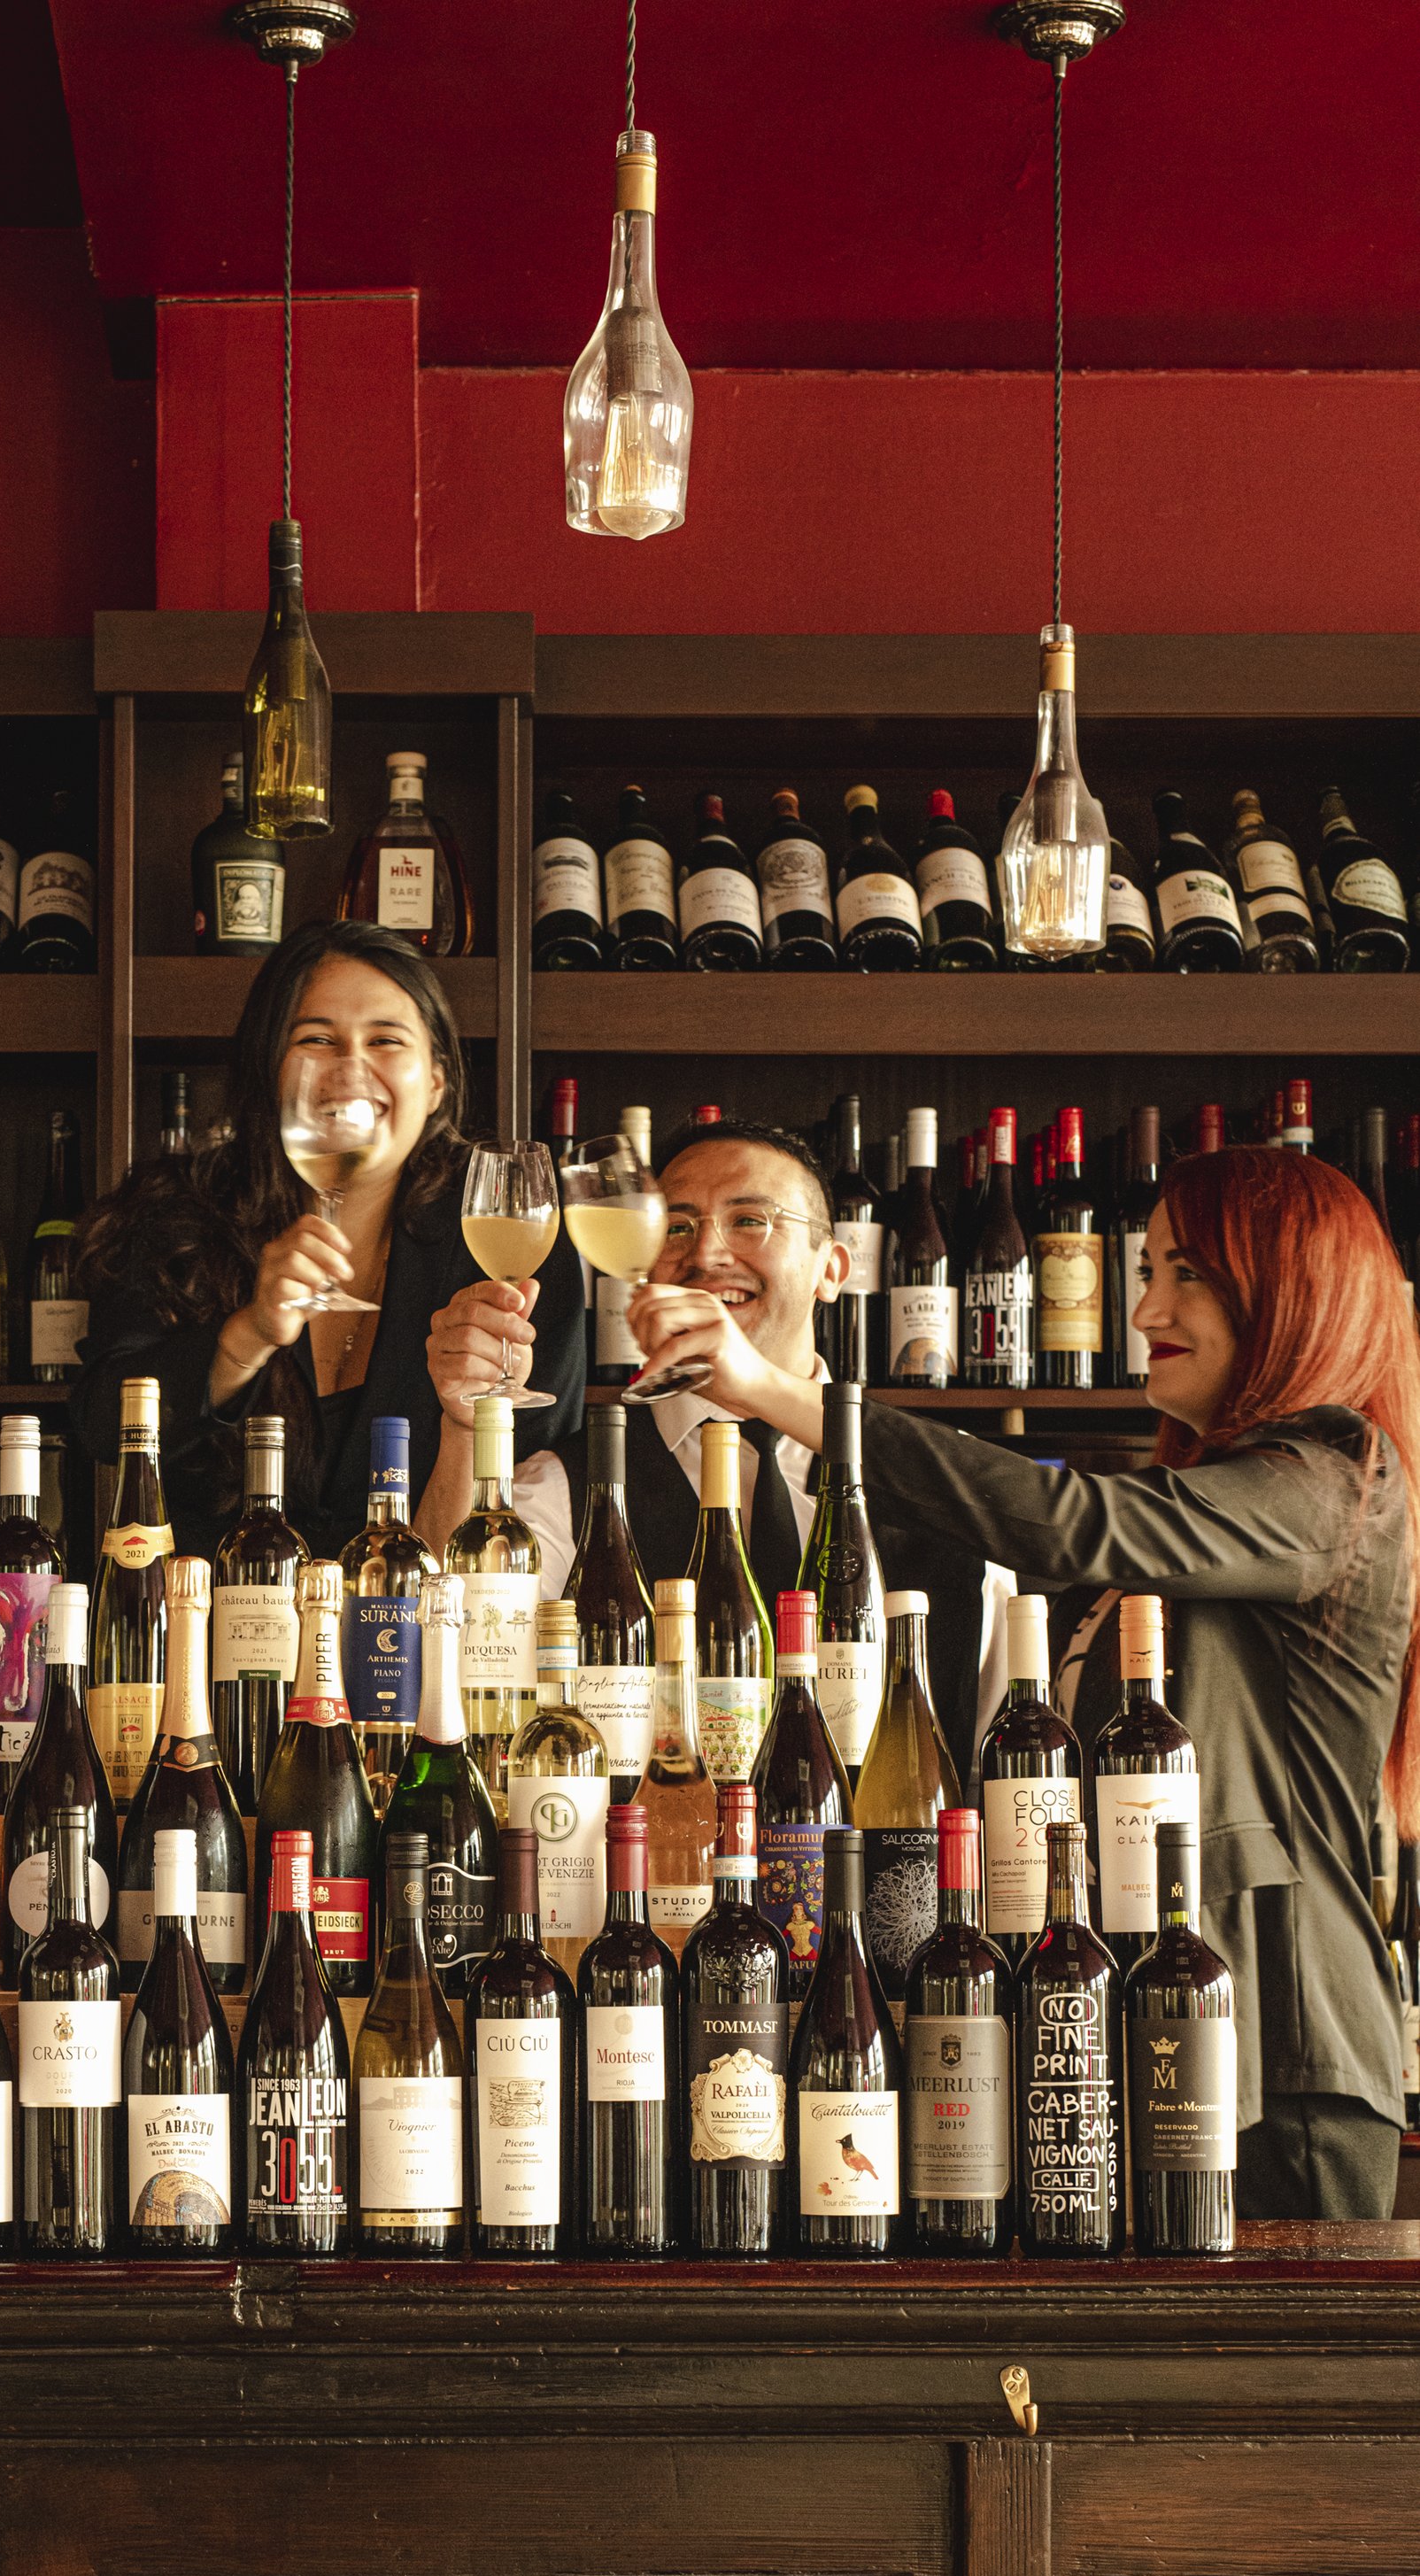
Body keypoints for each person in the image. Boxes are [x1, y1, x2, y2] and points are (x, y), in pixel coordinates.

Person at [636, 1142, 1419, 2220]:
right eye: (1147, 1272)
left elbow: (1066, 1518)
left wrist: (777, 1395)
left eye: (1186, 1273)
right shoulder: (1201, 1512)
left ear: (1294, 1288)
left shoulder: (1342, 1477)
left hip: (1279, 2052)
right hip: (1148, 2031)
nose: (1145, 1310)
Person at [70, 921, 585, 1574]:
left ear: (436, 1083)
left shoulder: (501, 1239)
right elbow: (100, 1427)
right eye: (316, 1039)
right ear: (269, 1068)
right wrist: (246, 1336)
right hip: (204, 1648)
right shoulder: (174, 1216)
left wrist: (470, 1416)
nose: (350, 1068)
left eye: (386, 1040)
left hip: (419, 1651)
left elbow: (535, 1481)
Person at [554, 1119, 1007, 1758]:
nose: (707, 1254)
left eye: (749, 1220)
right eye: (677, 1227)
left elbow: (1005, 1745)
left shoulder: (943, 1477)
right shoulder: (560, 1485)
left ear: (833, 1269)